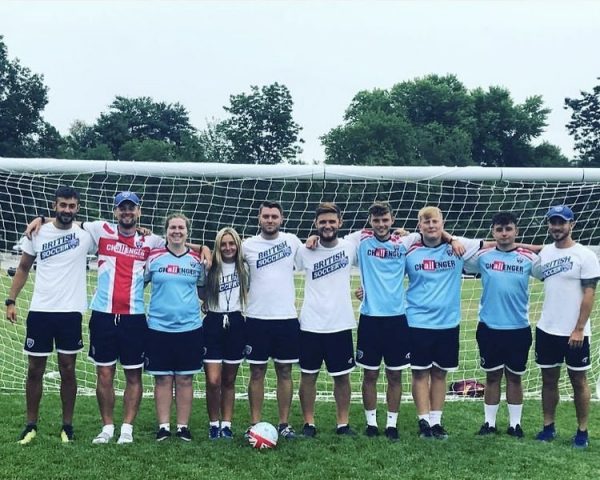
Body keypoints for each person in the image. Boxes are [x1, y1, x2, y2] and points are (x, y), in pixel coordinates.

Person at [24, 191, 211, 444]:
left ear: (138, 212)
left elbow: (179, 243)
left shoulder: (151, 241)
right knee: (104, 374)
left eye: (131, 208)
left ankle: (127, 429)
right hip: (102, 315)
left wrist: (206, 248)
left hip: (134, 318)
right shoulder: (100, 230)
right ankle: (107, 427)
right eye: (122, 208)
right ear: (115, 212)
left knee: (133, 375)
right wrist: (41, 218)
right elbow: (67, 219)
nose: (127, 212)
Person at [6, 186, 96, 444]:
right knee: (35, 369)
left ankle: (67, 425)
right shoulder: (38, 231)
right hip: (40, 312)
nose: (67, 210)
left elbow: (121, 232)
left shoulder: (85, 235)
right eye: (63, 205)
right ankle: (30, 424)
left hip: (70, 313)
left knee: (68, 369)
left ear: (77, 208)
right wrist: (11, 301)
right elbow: (23, 267)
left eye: (71, 206)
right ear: (54, 206)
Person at [405, 206, 482, 439]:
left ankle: (437, 422)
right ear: (419, 226)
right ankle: (423, 421)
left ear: (442, 223)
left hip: (448, 323)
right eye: (426, 222)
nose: (431, 226)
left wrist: (454, 238)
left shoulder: (458, 248)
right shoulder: (409, 250)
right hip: (417, 322)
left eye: (434, 221)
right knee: (420, 373)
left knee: (439, 373)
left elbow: (491, 244)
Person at [464, 212, 539, 438]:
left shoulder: (529, 259)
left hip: (518, 328)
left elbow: (550, 268)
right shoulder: (483, 257)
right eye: (499, 229)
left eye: (508, 229)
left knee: (515, 377)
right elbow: (459, 251)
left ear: (516, 231)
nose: (504, 234)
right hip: (489, 328)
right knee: (492, 376)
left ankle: (515, 424)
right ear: (493, 232)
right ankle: (490, 423)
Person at [533, 205, 600, 448]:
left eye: (562, 222)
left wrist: (579, 328)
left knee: (578, 380)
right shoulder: (545, 253)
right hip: (547, 328)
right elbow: (526, 250)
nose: (557, 227)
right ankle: (548, 426)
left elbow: (589, 294)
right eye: (553, 222)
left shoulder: (585, 256)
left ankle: (582, 431)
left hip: (575, 332)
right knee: (548, 379)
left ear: (571, 224)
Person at [242, 200, 303, 439]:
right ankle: (255, 423)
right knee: (256, 372)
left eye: (274, 216)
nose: (270, 220)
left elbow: (315, 253)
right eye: (266, 216)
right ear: (259, 218)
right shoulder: (247, 246)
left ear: (282, 218)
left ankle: (284, 424)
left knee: (285, 372)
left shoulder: (292, 241)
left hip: (286, 318)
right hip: (256, 318)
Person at [296, 203, 358, 437]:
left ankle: (343, 424)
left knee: (342, 377)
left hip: (340, 323)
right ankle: (308, 423)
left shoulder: (350, 247)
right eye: (323, 222)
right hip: (310, 324)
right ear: (316, 224)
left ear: (340, 223)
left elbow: (378, 250)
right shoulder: (304, 251)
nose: (327, 225)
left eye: (332, 221)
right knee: (308, 376)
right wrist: (309, 240)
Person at [145, 213, 205, 442]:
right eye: (172, 227)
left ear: (187, 232)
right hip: (158, 327)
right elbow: (141, 283)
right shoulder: (154, 257)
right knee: (162, 379)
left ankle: (182, 427)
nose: (177, 231)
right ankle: (163, 426)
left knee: (185, 379)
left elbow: (202, 289)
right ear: (166, 231)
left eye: (181, 227)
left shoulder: (198, 260)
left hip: (190, 328)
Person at [203, 227, 249, 440]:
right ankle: (213, 423)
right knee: (213, 380)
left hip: (237, 323)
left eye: (232, 244)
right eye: (224, 244)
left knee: (229, 379)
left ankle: (227, 424)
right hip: (212, 322)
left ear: (238, 245)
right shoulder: (210, 266)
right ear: (218, 246)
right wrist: (203, 249)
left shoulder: (245, 267)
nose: (228, 248)